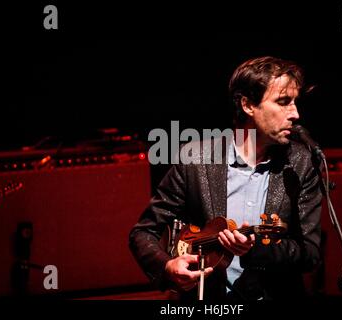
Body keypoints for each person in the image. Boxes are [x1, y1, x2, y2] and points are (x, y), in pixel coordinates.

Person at [129, 56, 322, 301]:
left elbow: (311, 253)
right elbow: (143, 233)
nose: (295, 113)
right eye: (283, 102)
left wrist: (257, 250)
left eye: (295, 102)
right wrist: (167, 267)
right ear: (248, 105)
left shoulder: (301, 164)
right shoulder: (195, 160)